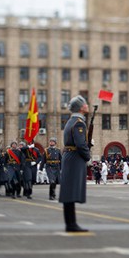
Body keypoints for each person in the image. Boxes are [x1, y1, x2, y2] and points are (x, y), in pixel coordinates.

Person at [59, 95, 92, 233]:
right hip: (74, 158)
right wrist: (87, 156)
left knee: (68, 191)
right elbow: (80, 144)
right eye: (85, 103)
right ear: (81, 107)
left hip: (69, 156)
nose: (87, 105)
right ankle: (71, 224)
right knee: (71, 191)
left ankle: (70, 223)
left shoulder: (71, 121)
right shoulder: (79, 122)